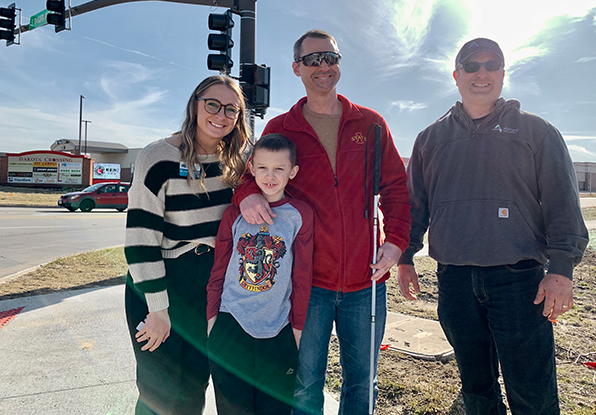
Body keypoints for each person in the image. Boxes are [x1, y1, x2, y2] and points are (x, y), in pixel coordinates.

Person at [398, 38, 589, 415]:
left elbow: (562, 203)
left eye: (490, 65)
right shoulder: (430, 139)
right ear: (456, 76)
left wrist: (561, 270)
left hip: (519, 282)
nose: (481, 73)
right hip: (454, 281)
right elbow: (415, 205)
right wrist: (406, 256)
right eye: (471, 65)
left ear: (502, 75)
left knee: (531, 392)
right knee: (477, 389)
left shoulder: (536, 132)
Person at [233, 29, 411, 415]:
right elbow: (252, 175)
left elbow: (397, 187)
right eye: (313, 60)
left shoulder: (371, 123)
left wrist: (396, 242)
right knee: (304, 382)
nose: (323, 67)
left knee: (362, 382)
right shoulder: (281, 127)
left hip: (366, 282)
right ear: (296, 68)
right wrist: (247, 194)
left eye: (330, 58)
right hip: (306, 281)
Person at [124, 75, 250, 415]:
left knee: (193, 388)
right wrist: (158, 310)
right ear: (195, 104)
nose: (220, 115)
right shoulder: (158, 156)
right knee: (161, 393)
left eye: (231, 110)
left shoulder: (237, 162)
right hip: (165, 281)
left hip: (212, 285)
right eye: (212, 104)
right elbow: (139, 241)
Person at [206, 133, 314, 415]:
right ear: (251, 168)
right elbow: (219, 267)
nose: (270, 175)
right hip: (231, 325)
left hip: (277, 330)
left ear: (293, 172)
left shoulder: (300, 214)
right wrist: (211, 318)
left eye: (279, 168)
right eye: (263, 167)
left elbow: (302, 276)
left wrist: (297, 329)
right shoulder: (234, 214)